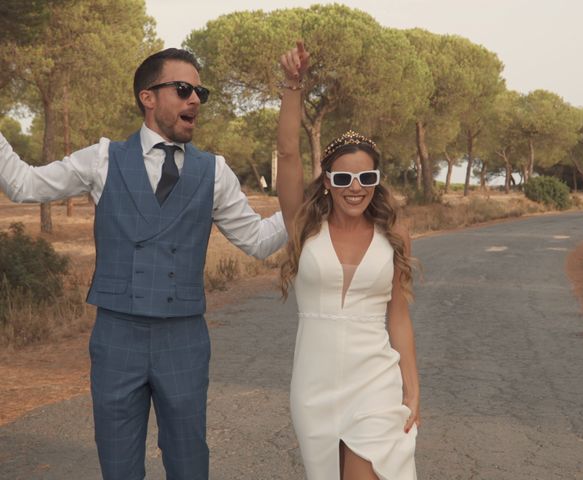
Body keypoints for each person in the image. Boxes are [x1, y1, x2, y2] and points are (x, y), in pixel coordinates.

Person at [0, 48, 287, 480]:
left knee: (190, 464)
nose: (195, 100)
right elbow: (22, 185)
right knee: (118, 466)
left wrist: (310, 203)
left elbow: (260, 242)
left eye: (199, 92)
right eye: (183, 89)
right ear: (147, 97)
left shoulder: (216, 172)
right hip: (116, 337)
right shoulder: (101, 159)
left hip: (184, 338)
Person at [276, 43, 420, 480]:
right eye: (342, 177)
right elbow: (286, 155)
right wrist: (292, 86)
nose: (355, 187)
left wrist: (413, 390)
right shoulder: (304, 226)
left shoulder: (393, 236)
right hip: (313, 384)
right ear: (327, 182)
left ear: (377, 181)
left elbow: (398, 318)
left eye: (366, 178)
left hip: (375, 381)